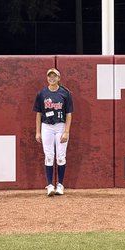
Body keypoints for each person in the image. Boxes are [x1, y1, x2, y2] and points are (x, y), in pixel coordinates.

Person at [33, 67, 73, 196]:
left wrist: (66, 131)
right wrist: (38, 132)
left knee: (61, 156)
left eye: (54, 76)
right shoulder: (42, 94)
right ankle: (50, 185)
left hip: (60, 126)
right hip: (47, 126)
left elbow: (69, 114)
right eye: (50, 76)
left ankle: (60, 185)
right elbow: (39, 114)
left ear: (59, 78)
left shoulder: (65, 93)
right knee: (49, 156)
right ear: (47, 78)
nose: (52, 78)